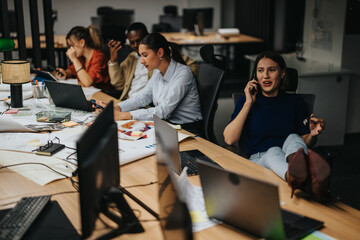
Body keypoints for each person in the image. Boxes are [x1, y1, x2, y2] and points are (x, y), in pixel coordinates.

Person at [223, 51, 330, 201]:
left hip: (286, 159)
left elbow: (305, 142)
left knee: (294, 137)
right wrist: (248, 103)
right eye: (260, 71)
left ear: (282, 74)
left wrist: (312, 134)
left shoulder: (295, 102)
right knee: (273, 151)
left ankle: (298, 174)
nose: (265, 75)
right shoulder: (246, 102)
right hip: (259, 162)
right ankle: (306, 183)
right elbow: (229, 139)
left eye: (271, 70)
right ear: (255, 76)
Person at [99, 32, 203, 135]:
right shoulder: (158, 71)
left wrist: (123, 115)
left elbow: (163, 111)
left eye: (145, 55)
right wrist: (118, 107)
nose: (141, 61)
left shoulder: (183, 74)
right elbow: (143, 96)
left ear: (160, 53)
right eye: (140, 56)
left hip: (187, 130)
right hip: (167, 125)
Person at [107, 22, 199, 101]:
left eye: (139, 41)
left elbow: (193, 66)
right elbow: (119, 85)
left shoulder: (163, 54)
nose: (135, 45)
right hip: (130, 101)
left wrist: (174, 82)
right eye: (132, 42)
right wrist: (113, 60)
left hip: (148, 105)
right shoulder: (132, 58)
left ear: (147, 37)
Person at [55, 25, 111, 90]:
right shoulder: (81, 57)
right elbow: (72, 70)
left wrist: (74, 59)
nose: (71, 49)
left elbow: (88, 83)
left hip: (102, 95)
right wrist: (65, 73)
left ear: (82, 42)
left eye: (72, 45)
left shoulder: (99, 57)